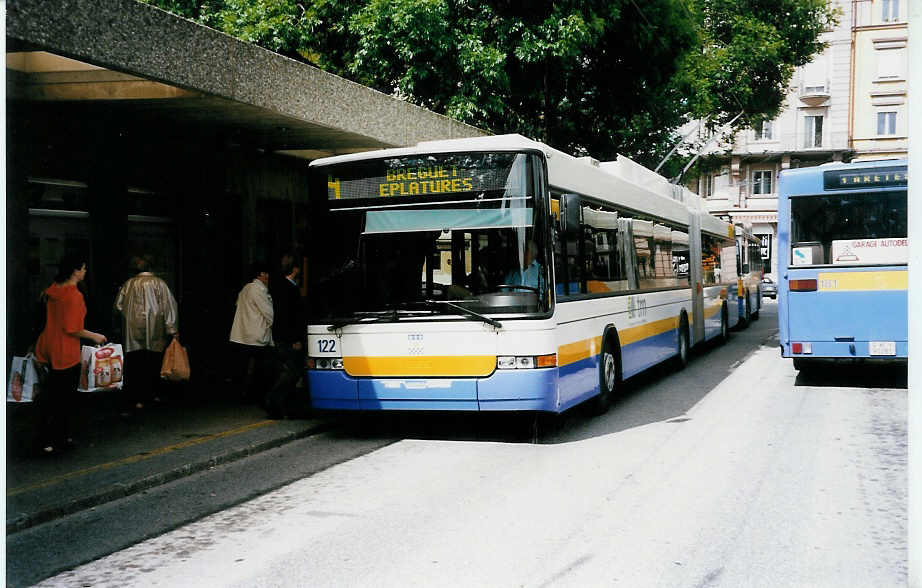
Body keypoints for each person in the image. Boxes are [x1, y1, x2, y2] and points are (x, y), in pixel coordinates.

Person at [34, 254, 107, 454]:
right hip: (66, 350)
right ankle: (60, 439)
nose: (85, 271)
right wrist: (95, 336)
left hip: (47, 345)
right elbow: (72, 328)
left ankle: (45, 438)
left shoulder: (52, 291)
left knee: (51, 396)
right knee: (64, 399)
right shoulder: (74, 296)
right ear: (75, 271)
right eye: (83, 268)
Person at [114, 255, 179, 412]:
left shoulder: (128, 284)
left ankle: (136, 398)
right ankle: (152, 393)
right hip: (155, 329)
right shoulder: (159, 283)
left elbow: (118, 306)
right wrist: (172, 329)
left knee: (135, 363)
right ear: (151, 268)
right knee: (153, 361)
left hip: (132, 329)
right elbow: (169, 306)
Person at [266, 253, 306, 419]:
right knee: (293, 371)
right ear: (295, 269)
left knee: (288, 370)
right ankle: (274, 402)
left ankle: (282, 407)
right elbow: (293, 317)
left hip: (278, 334)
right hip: (289, 337)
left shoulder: (277, 286)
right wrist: (296, 339)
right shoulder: (292, 290)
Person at [229, 261, 274, 404]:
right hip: (256, 335)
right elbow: (268, 312)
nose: (267, 276)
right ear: (260, 274)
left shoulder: (246, 288)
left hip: (241, 334)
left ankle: (240, 394)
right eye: (265, 273)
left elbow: (237, 305)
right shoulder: (258, 289)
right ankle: (256, 396)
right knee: (261, 368)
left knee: (242, 367)